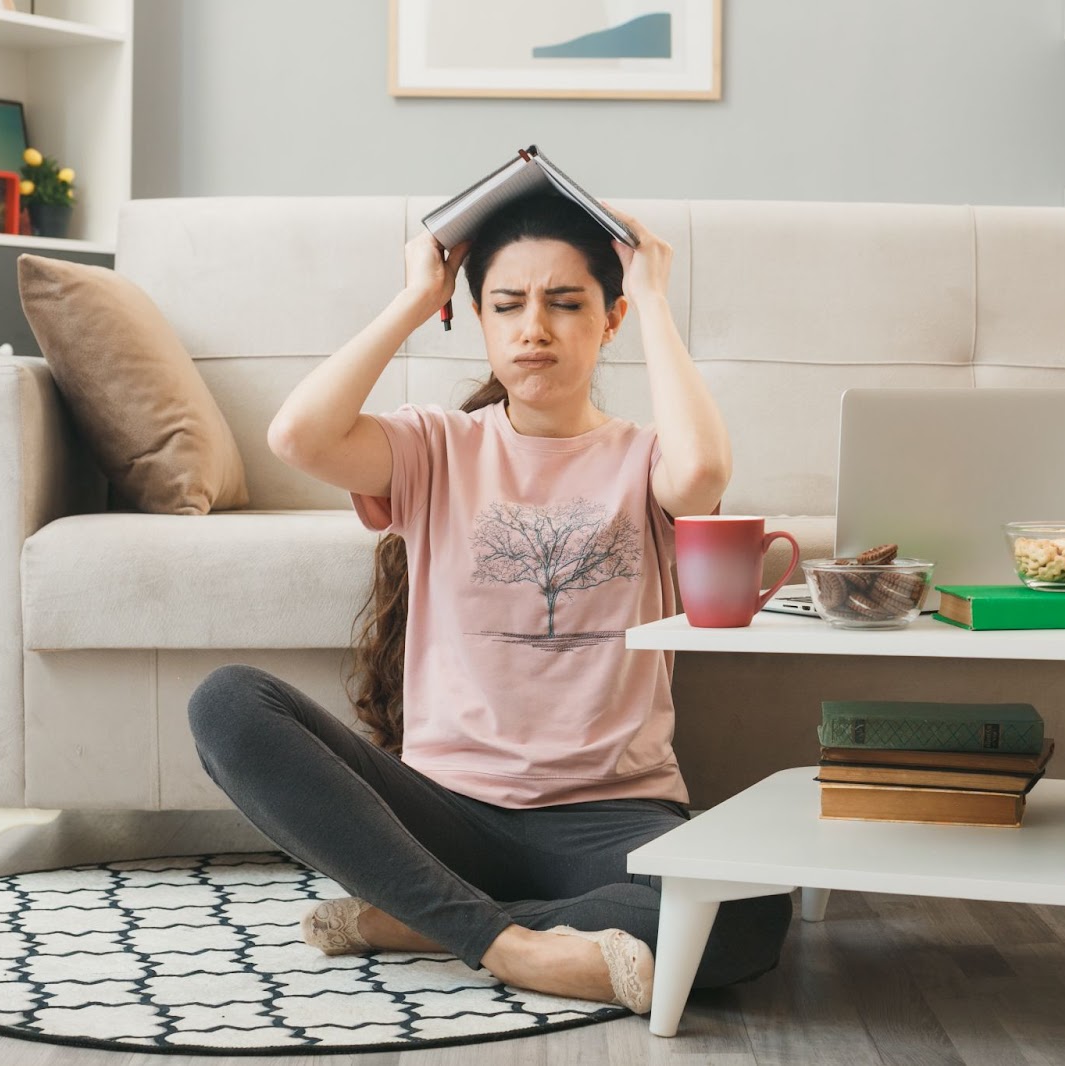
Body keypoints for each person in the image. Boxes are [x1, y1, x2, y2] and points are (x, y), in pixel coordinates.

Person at [187, 193, 793, 1014]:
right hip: (448, 812)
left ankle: (427, 922)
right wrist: (413, 298)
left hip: (612, 820)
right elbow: (300, 437)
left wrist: (651, 294)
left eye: (565, 303)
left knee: (751, 910)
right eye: (506, 305)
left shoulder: (644, 459)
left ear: (608, 321)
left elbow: (703, 476)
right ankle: (513, 946)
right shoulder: (435, 446)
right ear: (476, 318)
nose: (532, 327)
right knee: (227, 703)